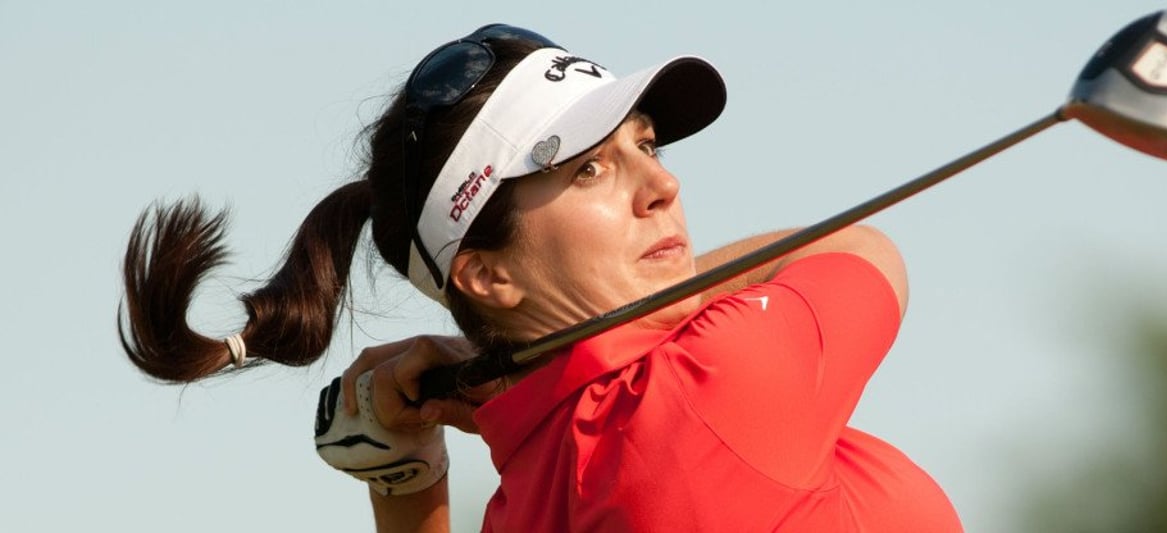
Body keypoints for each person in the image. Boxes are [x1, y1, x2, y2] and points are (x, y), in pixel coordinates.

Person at [119, 23, 963, 532]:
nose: (661, 185)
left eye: (646, 145)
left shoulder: (525, 500)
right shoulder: (713, 382)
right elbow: (860, 251)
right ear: (486, 275)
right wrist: (590, 346)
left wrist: (403, 476)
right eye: (590, 171)